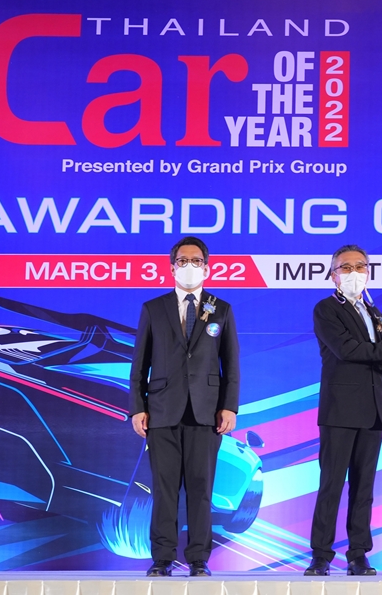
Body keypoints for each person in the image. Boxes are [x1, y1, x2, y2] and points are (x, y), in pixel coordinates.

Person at [304, 244, 382, 577]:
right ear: (333, 275)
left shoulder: (372, 311)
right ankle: (321, 555)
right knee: (331, 484)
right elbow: (348, 350)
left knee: (363, 487)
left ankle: (358, 554)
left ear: (368, 272)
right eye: (345, 267)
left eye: (360, 266)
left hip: (372, 409)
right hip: (340, 410)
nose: (353, 272)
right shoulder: (326, 309)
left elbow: (378, 359)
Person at [129, 236, 240, 577]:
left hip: (206, 413)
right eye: (182, 261)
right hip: (162, 410)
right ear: (172, 267)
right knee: (163, 489)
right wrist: (137, 407)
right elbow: (140, 364)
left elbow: (231, 364)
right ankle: (162, 557)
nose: (189, 266)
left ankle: (198, 558)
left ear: (207, 268)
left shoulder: (221, 309)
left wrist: (229, 407)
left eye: (196, 261)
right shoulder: (154, 308)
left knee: (201, 489)